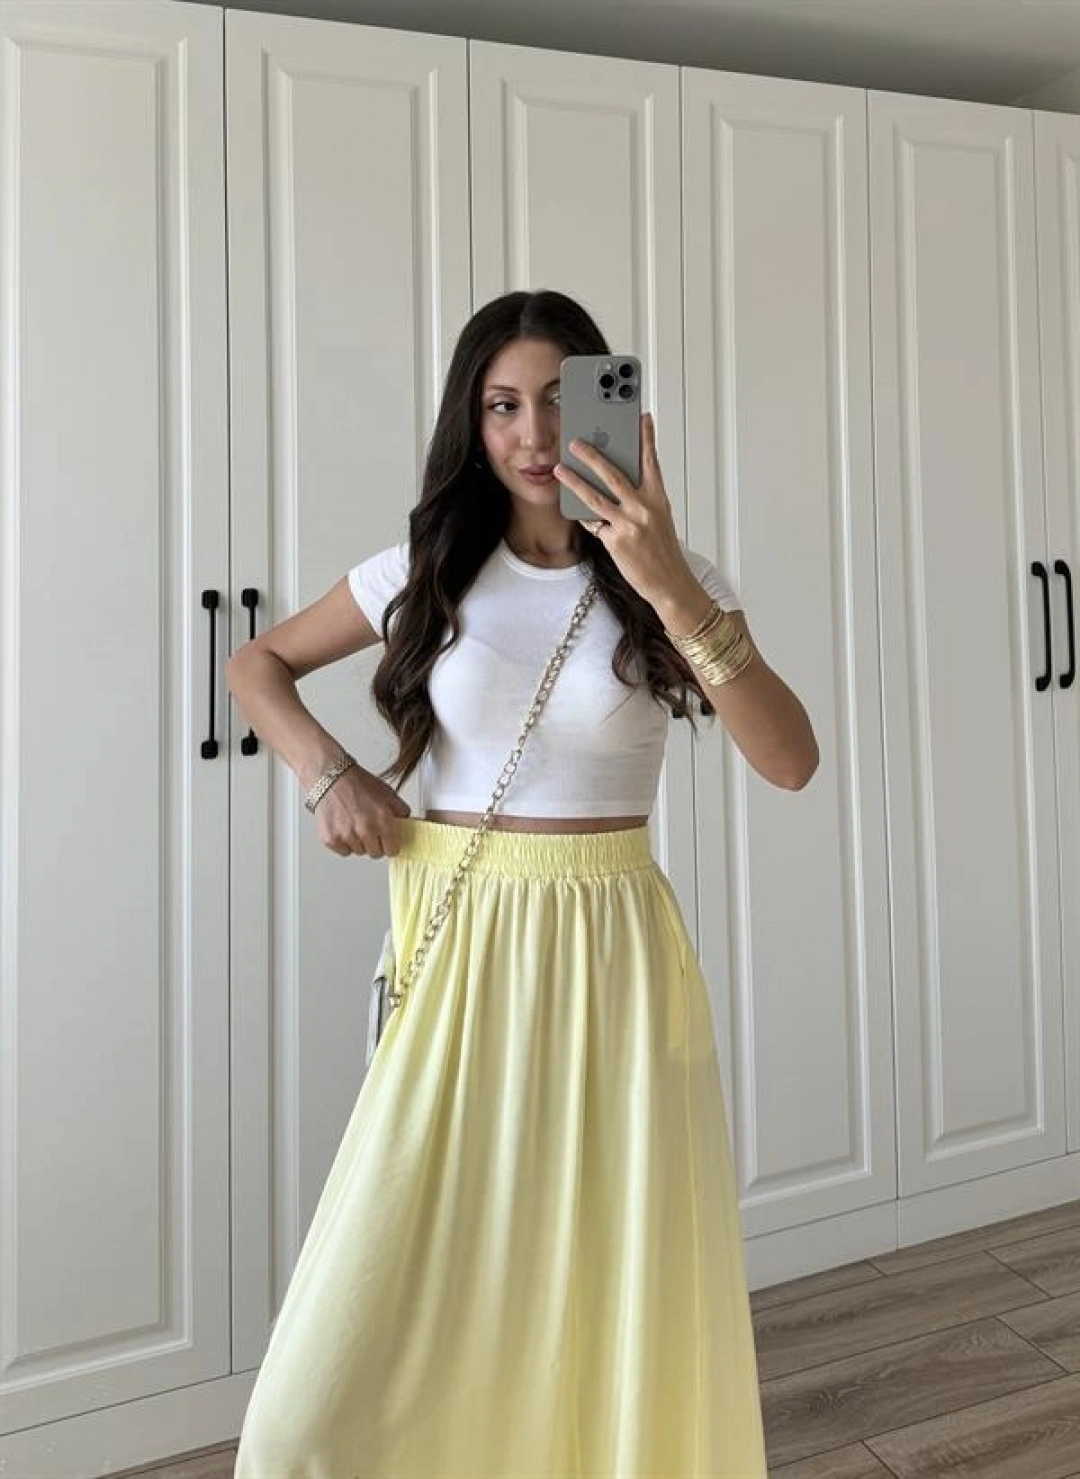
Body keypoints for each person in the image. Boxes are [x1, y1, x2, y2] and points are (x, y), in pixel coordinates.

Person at [228, 288, 818, 1478]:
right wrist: (327, 773)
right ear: (472, 420)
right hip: (459, 946)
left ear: (611, 408)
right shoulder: (425, 569)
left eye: (559, 399)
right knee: (361, 1325)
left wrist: (665, 579)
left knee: (604, 1278)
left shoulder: (676, 577)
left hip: (615, 955)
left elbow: (791, 760)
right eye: (503, 406)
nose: (536, 434)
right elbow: (257, 662)